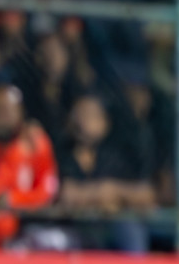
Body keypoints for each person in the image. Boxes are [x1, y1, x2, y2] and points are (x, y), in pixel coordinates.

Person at [56, 94, 156, 253]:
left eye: (90, 115)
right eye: (79, 115)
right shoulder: (63, 154)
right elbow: (66, 195)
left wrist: (114, 190)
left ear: (105, 122)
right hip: (74, 227)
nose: (82, 122)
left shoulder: (117, 156)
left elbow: (146, 195)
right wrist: (102, 194)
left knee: (130, 230)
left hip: (111, 226)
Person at [0, 83, 59, 247]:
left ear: (21, 113)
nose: (3, 116)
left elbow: (47, 191)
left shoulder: (35, 143)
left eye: (9, 110)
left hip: (22, 233)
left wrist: (13, 199)